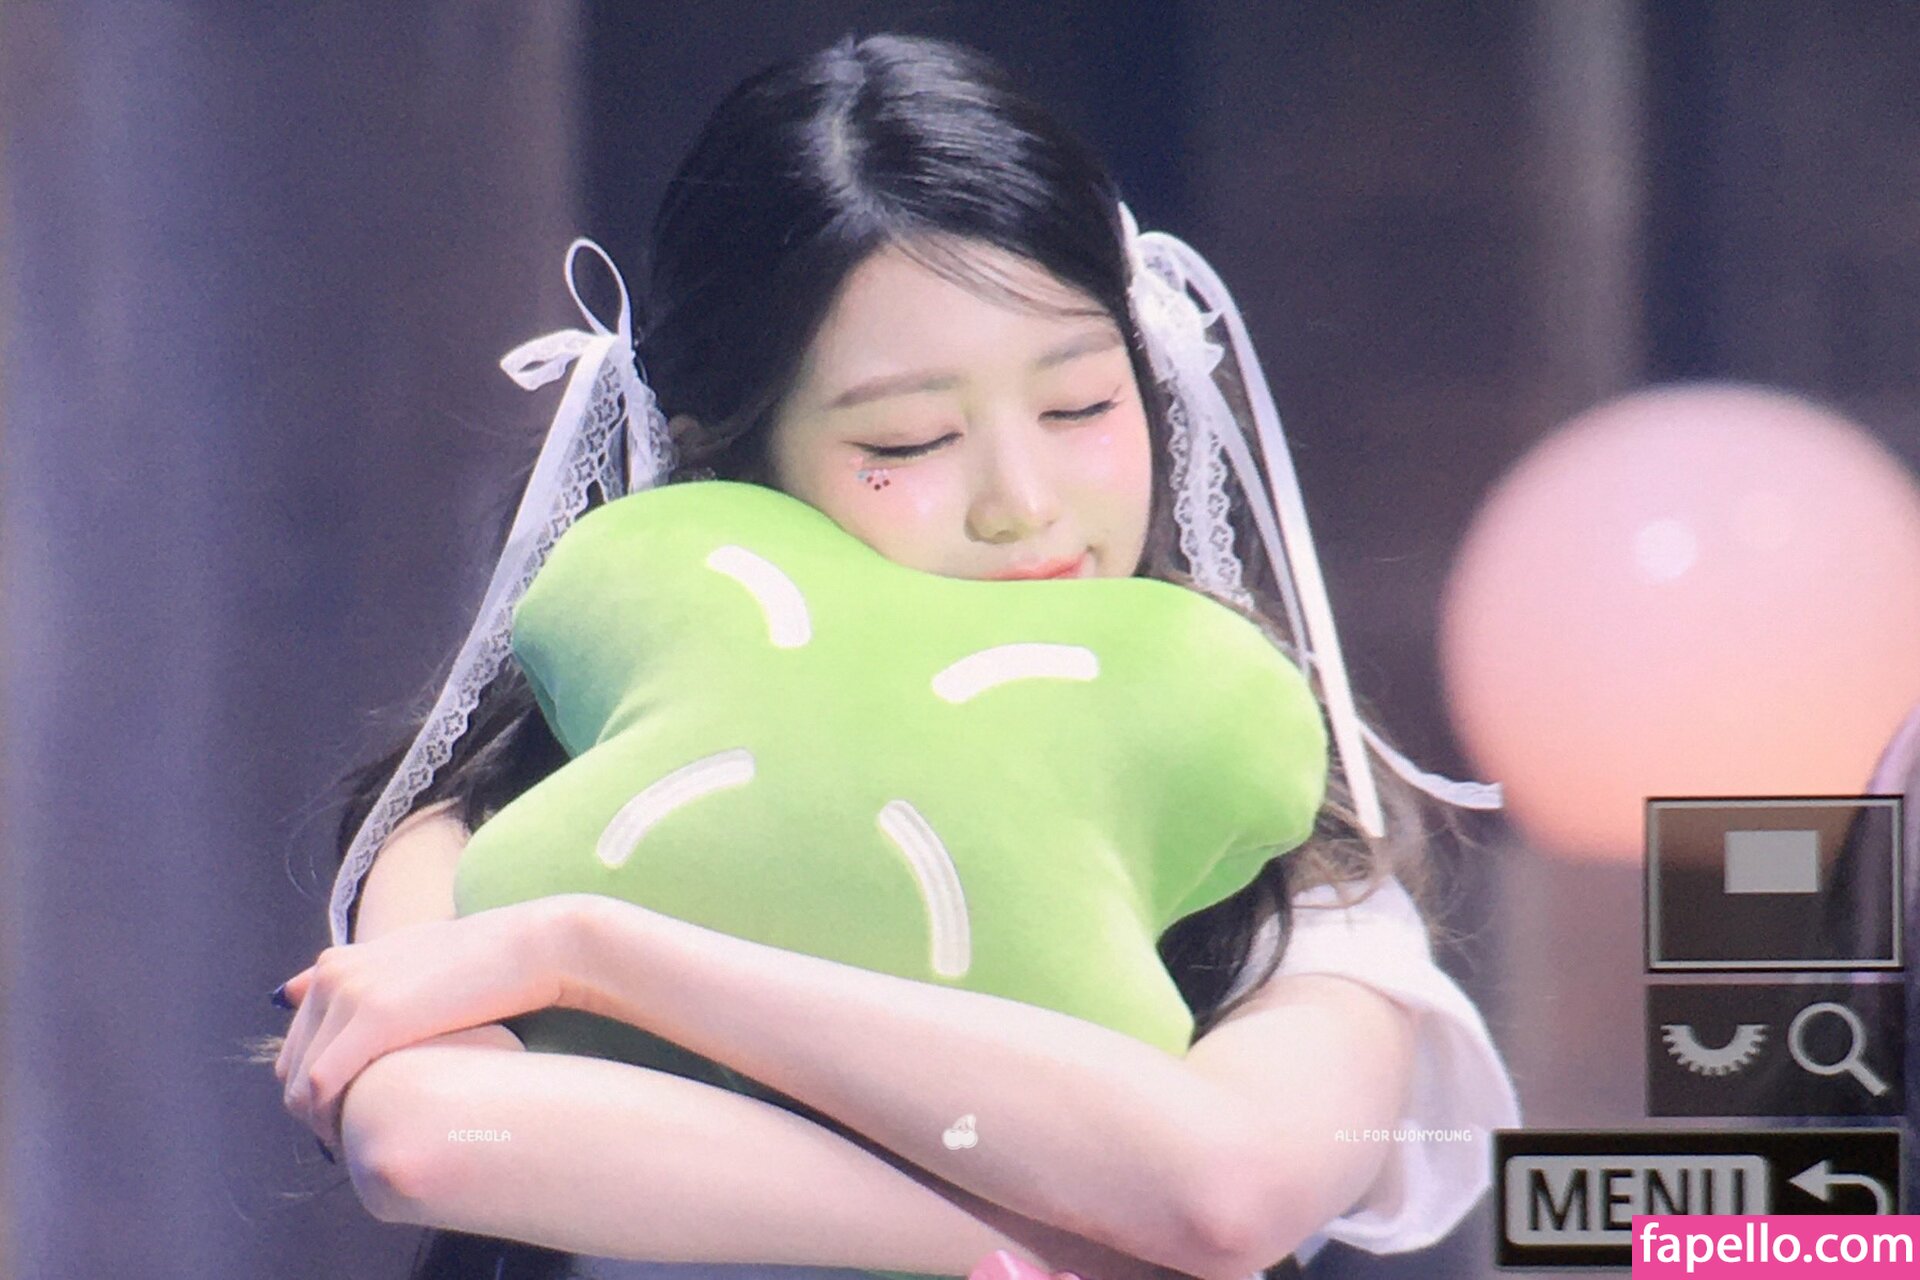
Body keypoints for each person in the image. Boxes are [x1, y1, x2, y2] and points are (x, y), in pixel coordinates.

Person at [264, 32, 1518, 1280]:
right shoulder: (524, 816)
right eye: (911, 440)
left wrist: (594, 952)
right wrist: (1059, 1243)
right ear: (721, 461)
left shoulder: (1283, 870)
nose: (1023, 503)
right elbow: (434, 1136)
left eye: (1081, 405)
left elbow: (1226, 1188)